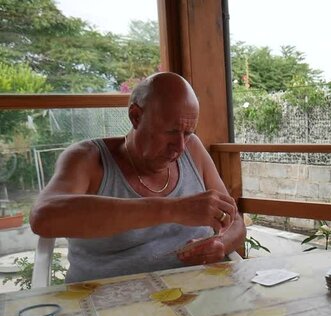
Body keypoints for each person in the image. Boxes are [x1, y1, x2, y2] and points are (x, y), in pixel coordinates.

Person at [30, 72, 246, 283]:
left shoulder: (193, 149)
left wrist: (221, 245)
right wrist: (173, 209)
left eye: (188, 133)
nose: (180, 146)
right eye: (170, 131)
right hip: (109, 302)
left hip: (193, 292)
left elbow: (234, 220)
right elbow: (43, 217)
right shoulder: (87, 158)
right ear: (136, 116)